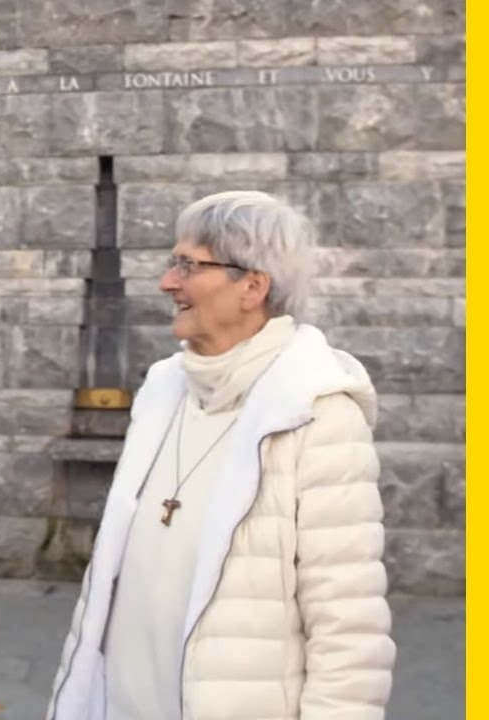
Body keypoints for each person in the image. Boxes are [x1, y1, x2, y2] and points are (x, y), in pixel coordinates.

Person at [45, 191, 395, 720]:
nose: (168, 282)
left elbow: (349, 621)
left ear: (253, 286)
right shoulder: (163, 389)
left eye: (190, 266)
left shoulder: (315, 411)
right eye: (173, 262)